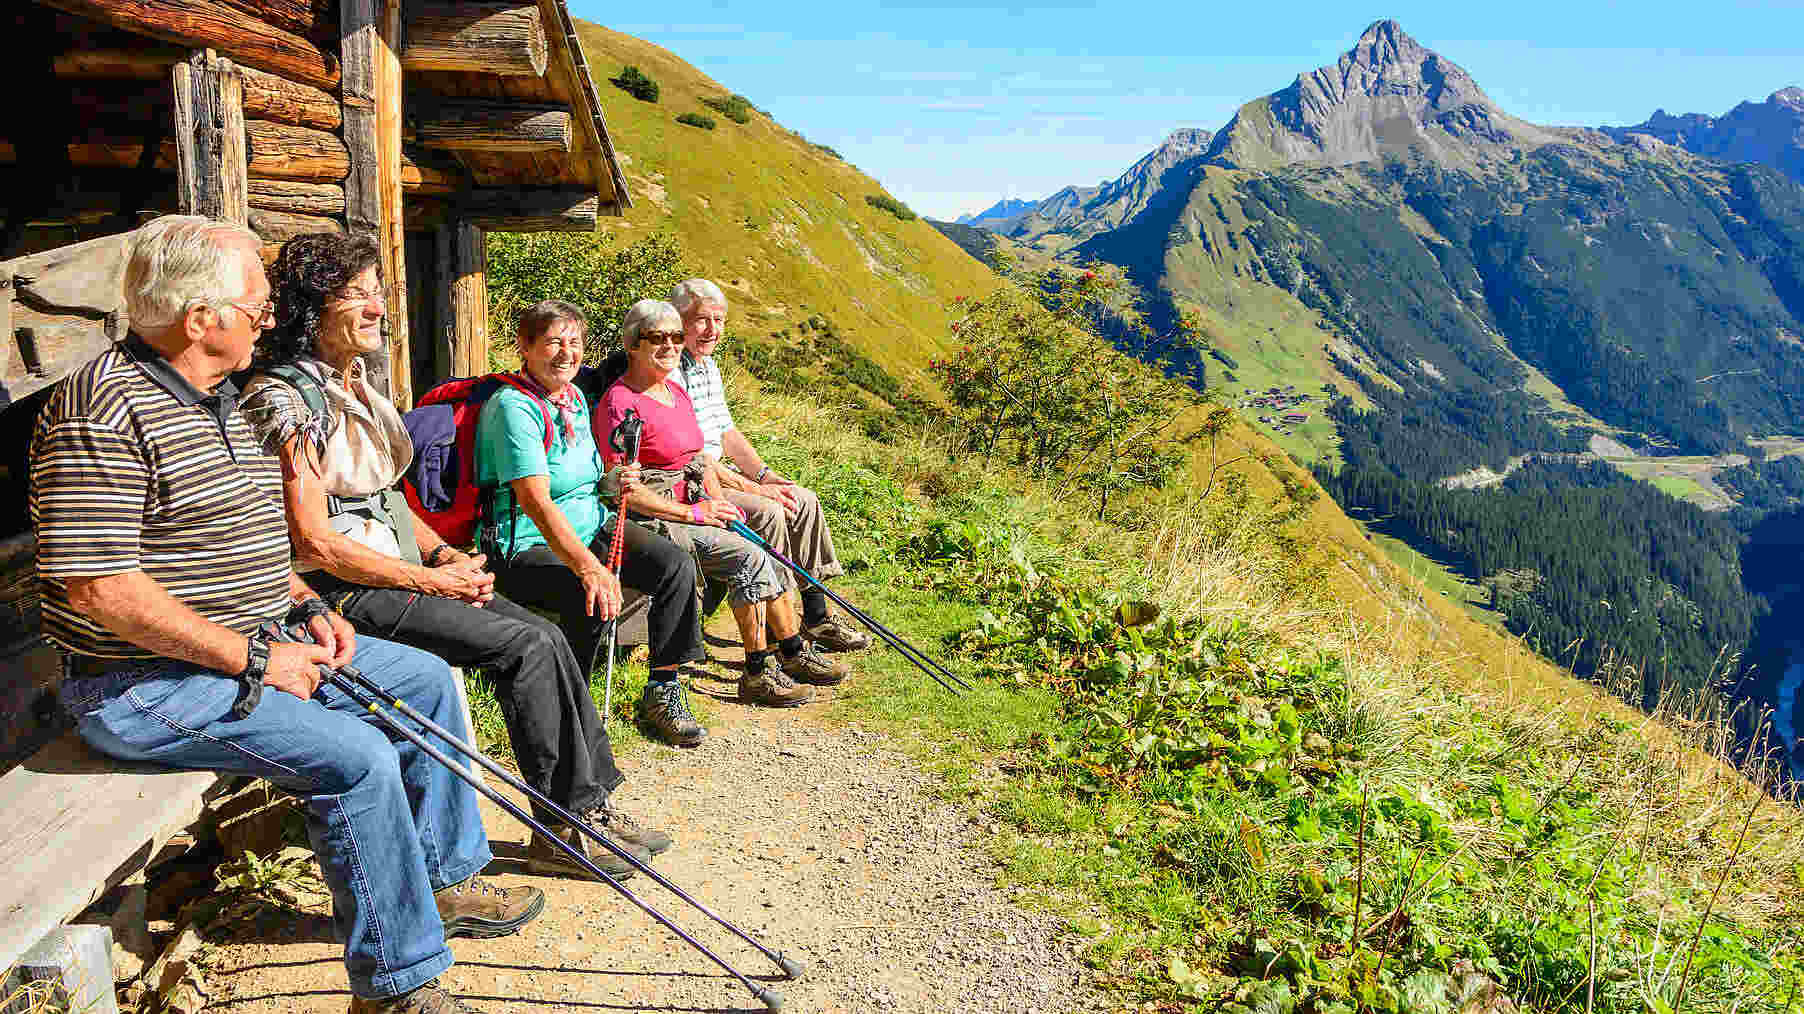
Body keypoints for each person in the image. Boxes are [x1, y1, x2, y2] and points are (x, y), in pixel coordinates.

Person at [32, 216, 539, 1014]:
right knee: (357, 757)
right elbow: (100, 592)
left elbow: (255, 542)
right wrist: (258, 660)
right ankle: (397, 985)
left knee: (427, 681)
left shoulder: (218, 400)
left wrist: (302, 605)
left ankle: (444, 883)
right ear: (202, 319)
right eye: (258, 306)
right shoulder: (105, 408)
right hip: (139, 683)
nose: (269, 319)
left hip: (254, 642)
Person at [238, 234, 670, 880]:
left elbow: (383, 498)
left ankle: (588, 807)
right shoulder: (287, 399)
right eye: (358, 295)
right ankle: (565, 829)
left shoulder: (348, 385)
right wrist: (425, 578)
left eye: (377, 294)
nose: (378, 309)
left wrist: (443, 555)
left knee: (545, 636)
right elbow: (314, 542)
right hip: (343, 593)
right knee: (523, 647)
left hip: (399, 572)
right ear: (314, 305)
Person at [477, 300, 714, 748]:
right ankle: (573, 710)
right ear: (524, 348)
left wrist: (613, 481)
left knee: (674, 565)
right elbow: (536, 503)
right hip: (524, 544)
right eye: (553, 343)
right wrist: (589, 567)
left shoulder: (573, 400)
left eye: (575, 342)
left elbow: (587, 481)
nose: (567, 353)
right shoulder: (514, 408)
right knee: (584, 591)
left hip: (592, 525)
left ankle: (663, 689)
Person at [595, 300, 850, 711]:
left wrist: (715, 500)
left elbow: (700, 459)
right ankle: (760, 670)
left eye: (677, 337)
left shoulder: (674, 392)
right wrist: (695, 514)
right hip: (657, 516)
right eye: (657, 338)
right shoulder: (621, 404)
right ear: (632, 345)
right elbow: (622, 490)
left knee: (762, 543)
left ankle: (789, 648)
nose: (671, 345)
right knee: (749, 557)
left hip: (696, 501)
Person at [667, 279, 870, 653]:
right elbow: (697, 458)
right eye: (701, 320)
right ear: (678, 321)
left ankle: (815, 613)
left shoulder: (707, 365)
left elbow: (727, 431)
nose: (713, 330)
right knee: (770, 509)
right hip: (697, 480)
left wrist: (765, 474)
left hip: (719, 472)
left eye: (720, 320)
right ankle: (781, 628)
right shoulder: (671, 372)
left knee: (802, 498)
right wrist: (758, 490)